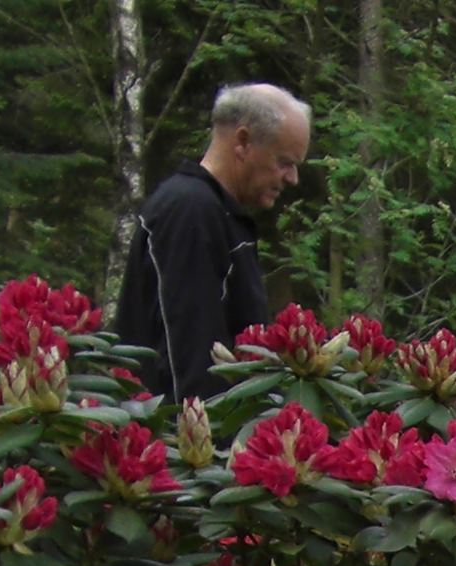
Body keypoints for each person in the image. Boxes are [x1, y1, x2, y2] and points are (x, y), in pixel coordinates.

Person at [115, 84, 312, 403]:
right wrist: (208, 446)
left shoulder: (218, 212)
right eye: (285, 162)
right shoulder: (190, 211)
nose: (292, 179)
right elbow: (187, 359)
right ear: (243, 142)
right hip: (182, 442)